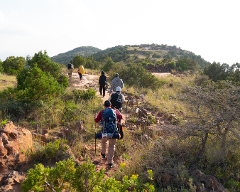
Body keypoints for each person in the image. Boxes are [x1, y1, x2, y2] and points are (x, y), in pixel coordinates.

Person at [94, 100, 123, 168]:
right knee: (111, 146)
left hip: (104, 132)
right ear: (110, 105)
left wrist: (95, 116)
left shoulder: (102, 112)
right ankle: (110, 162)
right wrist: (118, 111)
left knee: (104, 142)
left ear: (104, 106)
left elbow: (96, 120)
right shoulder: (114, 111)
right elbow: (121, 117)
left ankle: (103, 153)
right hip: (113, 132)